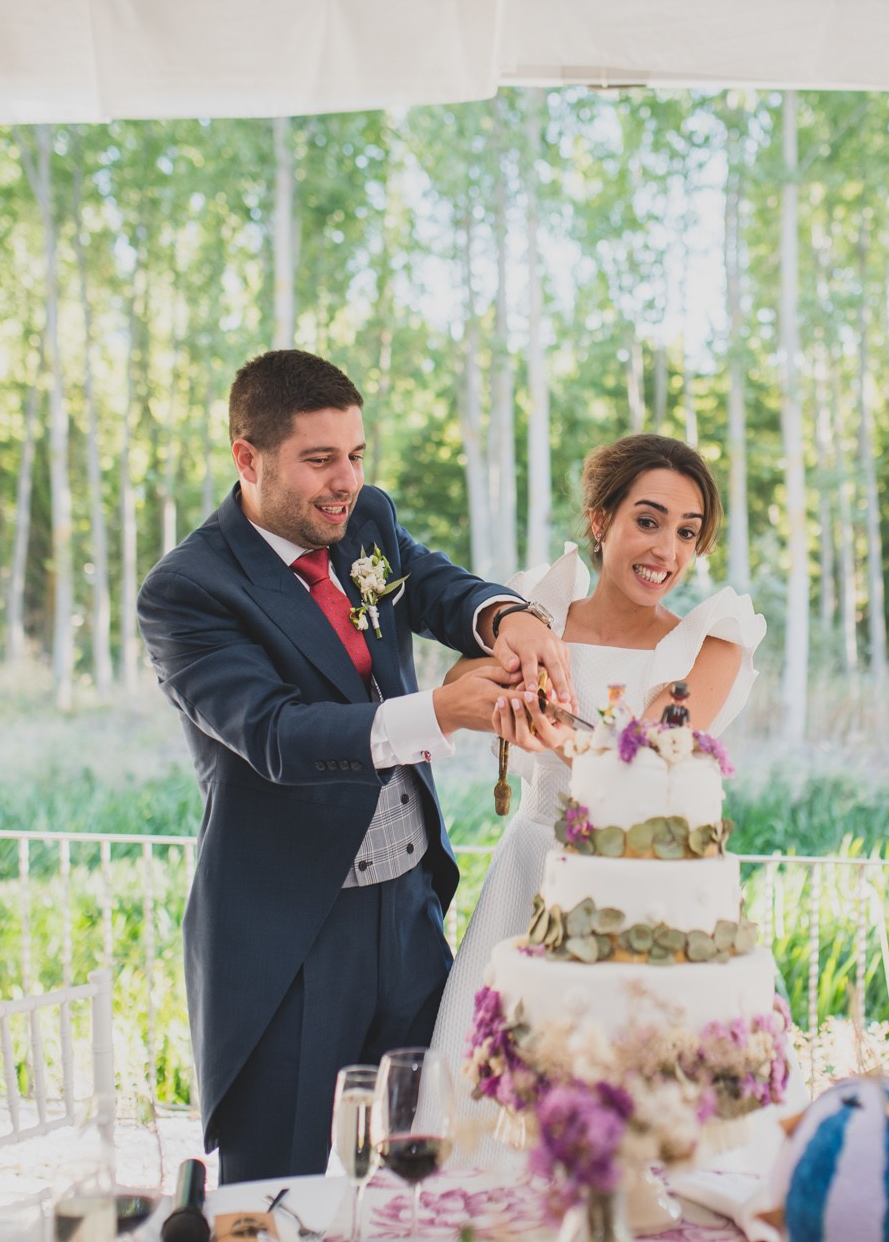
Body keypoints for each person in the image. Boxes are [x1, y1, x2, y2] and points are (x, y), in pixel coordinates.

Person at [137, 349, 572, 1182]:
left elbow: (436, 585)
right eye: (319, 459)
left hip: (410, 914)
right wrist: (444, 712)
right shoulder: (187, 590)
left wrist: (504, 616)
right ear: (247, 457)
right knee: (281, 1188)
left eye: (357, 455)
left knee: (428, 1162)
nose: (346, 480)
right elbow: (278, 734)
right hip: (292, 935)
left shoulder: (364, 517)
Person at [426, 433, 766, 1151]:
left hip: (648, 899)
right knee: (491, 1104)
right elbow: (457, 688)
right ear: (599, 519)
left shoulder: (712, 644)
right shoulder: (534, 619)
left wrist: (553, 733)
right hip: (534, 873)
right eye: (648, 520)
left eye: (687, 531)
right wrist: (502, 701)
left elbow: (636, 761)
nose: (667, 550)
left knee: (641, 1117)